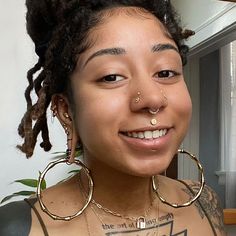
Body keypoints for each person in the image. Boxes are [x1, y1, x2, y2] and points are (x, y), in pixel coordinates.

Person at [0, 0, 226, 235]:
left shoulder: (206, 203)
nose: (152, 98)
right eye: (111, 76)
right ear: (66, 109)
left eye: (165, 72)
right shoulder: (18, 226)